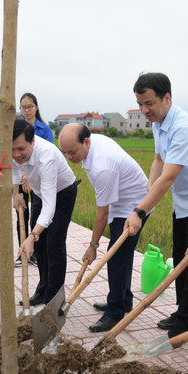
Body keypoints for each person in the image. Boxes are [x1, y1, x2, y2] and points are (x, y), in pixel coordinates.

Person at [125, 72, 188, 339]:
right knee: (181, 256)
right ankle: (183, 311)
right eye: (139, 104)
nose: (144, 110)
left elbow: (169, 177)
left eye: (149, 103)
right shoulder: (159, 124)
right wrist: (150, 185)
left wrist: (140, 210)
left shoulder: (183, 127)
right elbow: (159, 160)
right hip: (184, 202)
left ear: (166, 98)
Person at [58, 123, 148, 332]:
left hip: (134, 204)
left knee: (115, 257)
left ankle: (115, 312)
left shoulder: (102, 166)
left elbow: (102, 213)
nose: (69, 157)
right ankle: (123, 300)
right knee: (122, 255)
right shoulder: (91, 145)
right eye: (65, 152)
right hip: (122, 198)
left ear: (86, 142)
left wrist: (93, 245)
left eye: (72, 152)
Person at [12, 119, 78, 306]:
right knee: (40, 247)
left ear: (32, 141)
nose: (16, 154)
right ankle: (43, 289)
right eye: (12, 150)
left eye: (21, 149)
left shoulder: (46, 156)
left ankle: (54, 299)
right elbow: (15, 170)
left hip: (62, 193)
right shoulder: (12, 148)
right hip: (39, 192)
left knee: (54, 245)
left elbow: (50, 206)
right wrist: (16, 194)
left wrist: (32, 236)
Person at [14, 92, 54, 267]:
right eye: (23, 107)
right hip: (22, 176)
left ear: (36, 107)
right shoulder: (16, 127)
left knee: (37, 214)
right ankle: (22, 249)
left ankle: (35, 251)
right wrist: (23, 179)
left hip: (38, 178)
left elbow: (45, 156)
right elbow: (14, 156)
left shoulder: (44, 129)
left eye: (30, 106)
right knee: (21, 214)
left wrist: (29, 178)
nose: (27, 110)